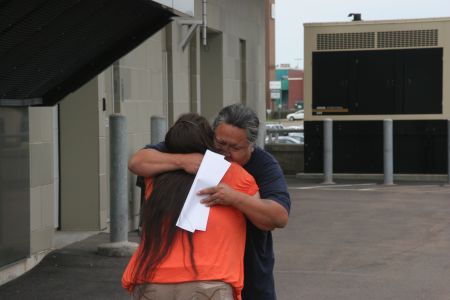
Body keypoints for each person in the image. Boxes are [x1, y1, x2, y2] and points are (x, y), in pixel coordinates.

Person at [128, 104, 291, 300]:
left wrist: (235, 197)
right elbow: (137, 162)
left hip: (250, 273)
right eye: (221, 143)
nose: (226, 152)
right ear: (212, 135)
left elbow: (278, 217)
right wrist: (182, 161)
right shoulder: (194, 153)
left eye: (235, 147)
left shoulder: (262, 166)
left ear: (251, 145)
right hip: (201, 275)